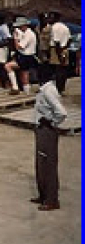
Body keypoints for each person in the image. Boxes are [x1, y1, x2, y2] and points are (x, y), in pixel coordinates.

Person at [32, 66, 67, 211]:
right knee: (41, 163)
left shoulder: (49, 91)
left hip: (47, 130)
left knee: (49, 165)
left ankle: (52, 199)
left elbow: (62, 112)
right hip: (40, 129)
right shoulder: (43, 89)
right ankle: (43, 195)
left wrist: (51, 121)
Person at [5, 16, 38, 94]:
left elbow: (19, 46)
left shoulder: (28, 34)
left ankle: (15, 87)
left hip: (26, 56)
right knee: (24, 75)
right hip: (27, 56)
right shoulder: (26, 33)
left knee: (8, 66)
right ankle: (26, 92)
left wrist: (15, 38)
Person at [49, 12, 72, 93]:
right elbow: (70, 39)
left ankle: (58, 88)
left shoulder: (54, 27)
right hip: (65, 48)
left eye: (51, 17)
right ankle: (62, 88)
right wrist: (65, 47)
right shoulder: (65, 27)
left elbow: (56, 41)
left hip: (56, 49)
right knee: (64, 69)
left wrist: (59, 54)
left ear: (55, 18)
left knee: (58, 69)